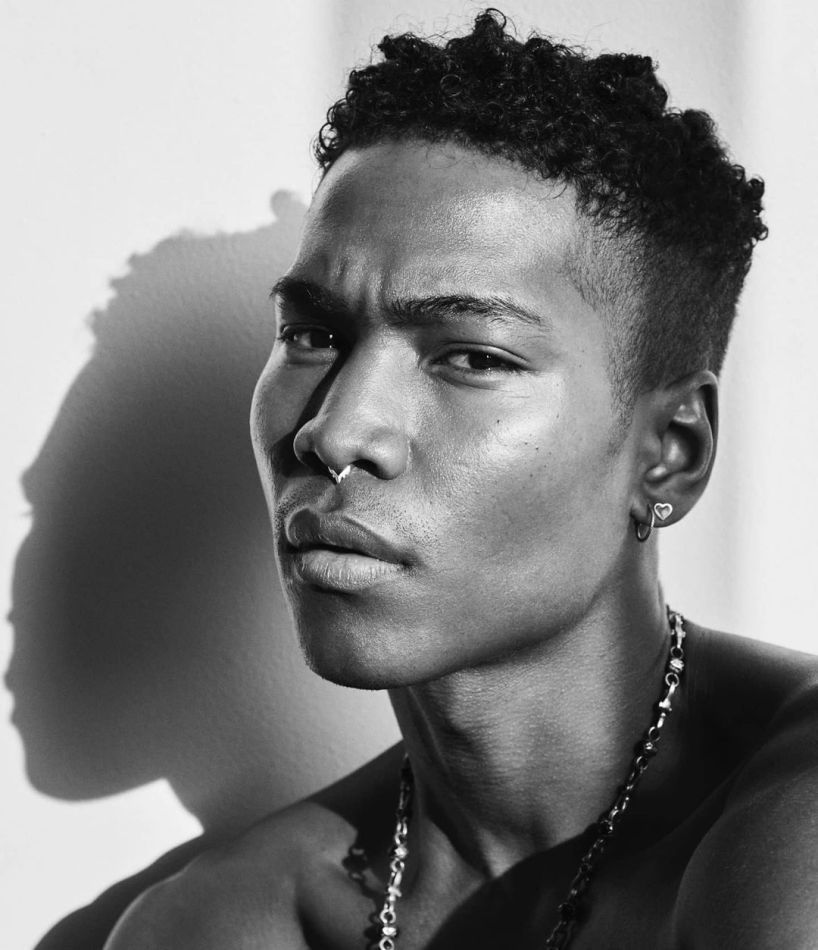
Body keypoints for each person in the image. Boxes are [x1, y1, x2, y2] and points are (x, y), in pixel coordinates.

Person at [105, 10, 818, 949]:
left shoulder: (792, 807)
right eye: (313, 336)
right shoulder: (226, 922)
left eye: (470, 357)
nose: (335, 429)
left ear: (669, 454)